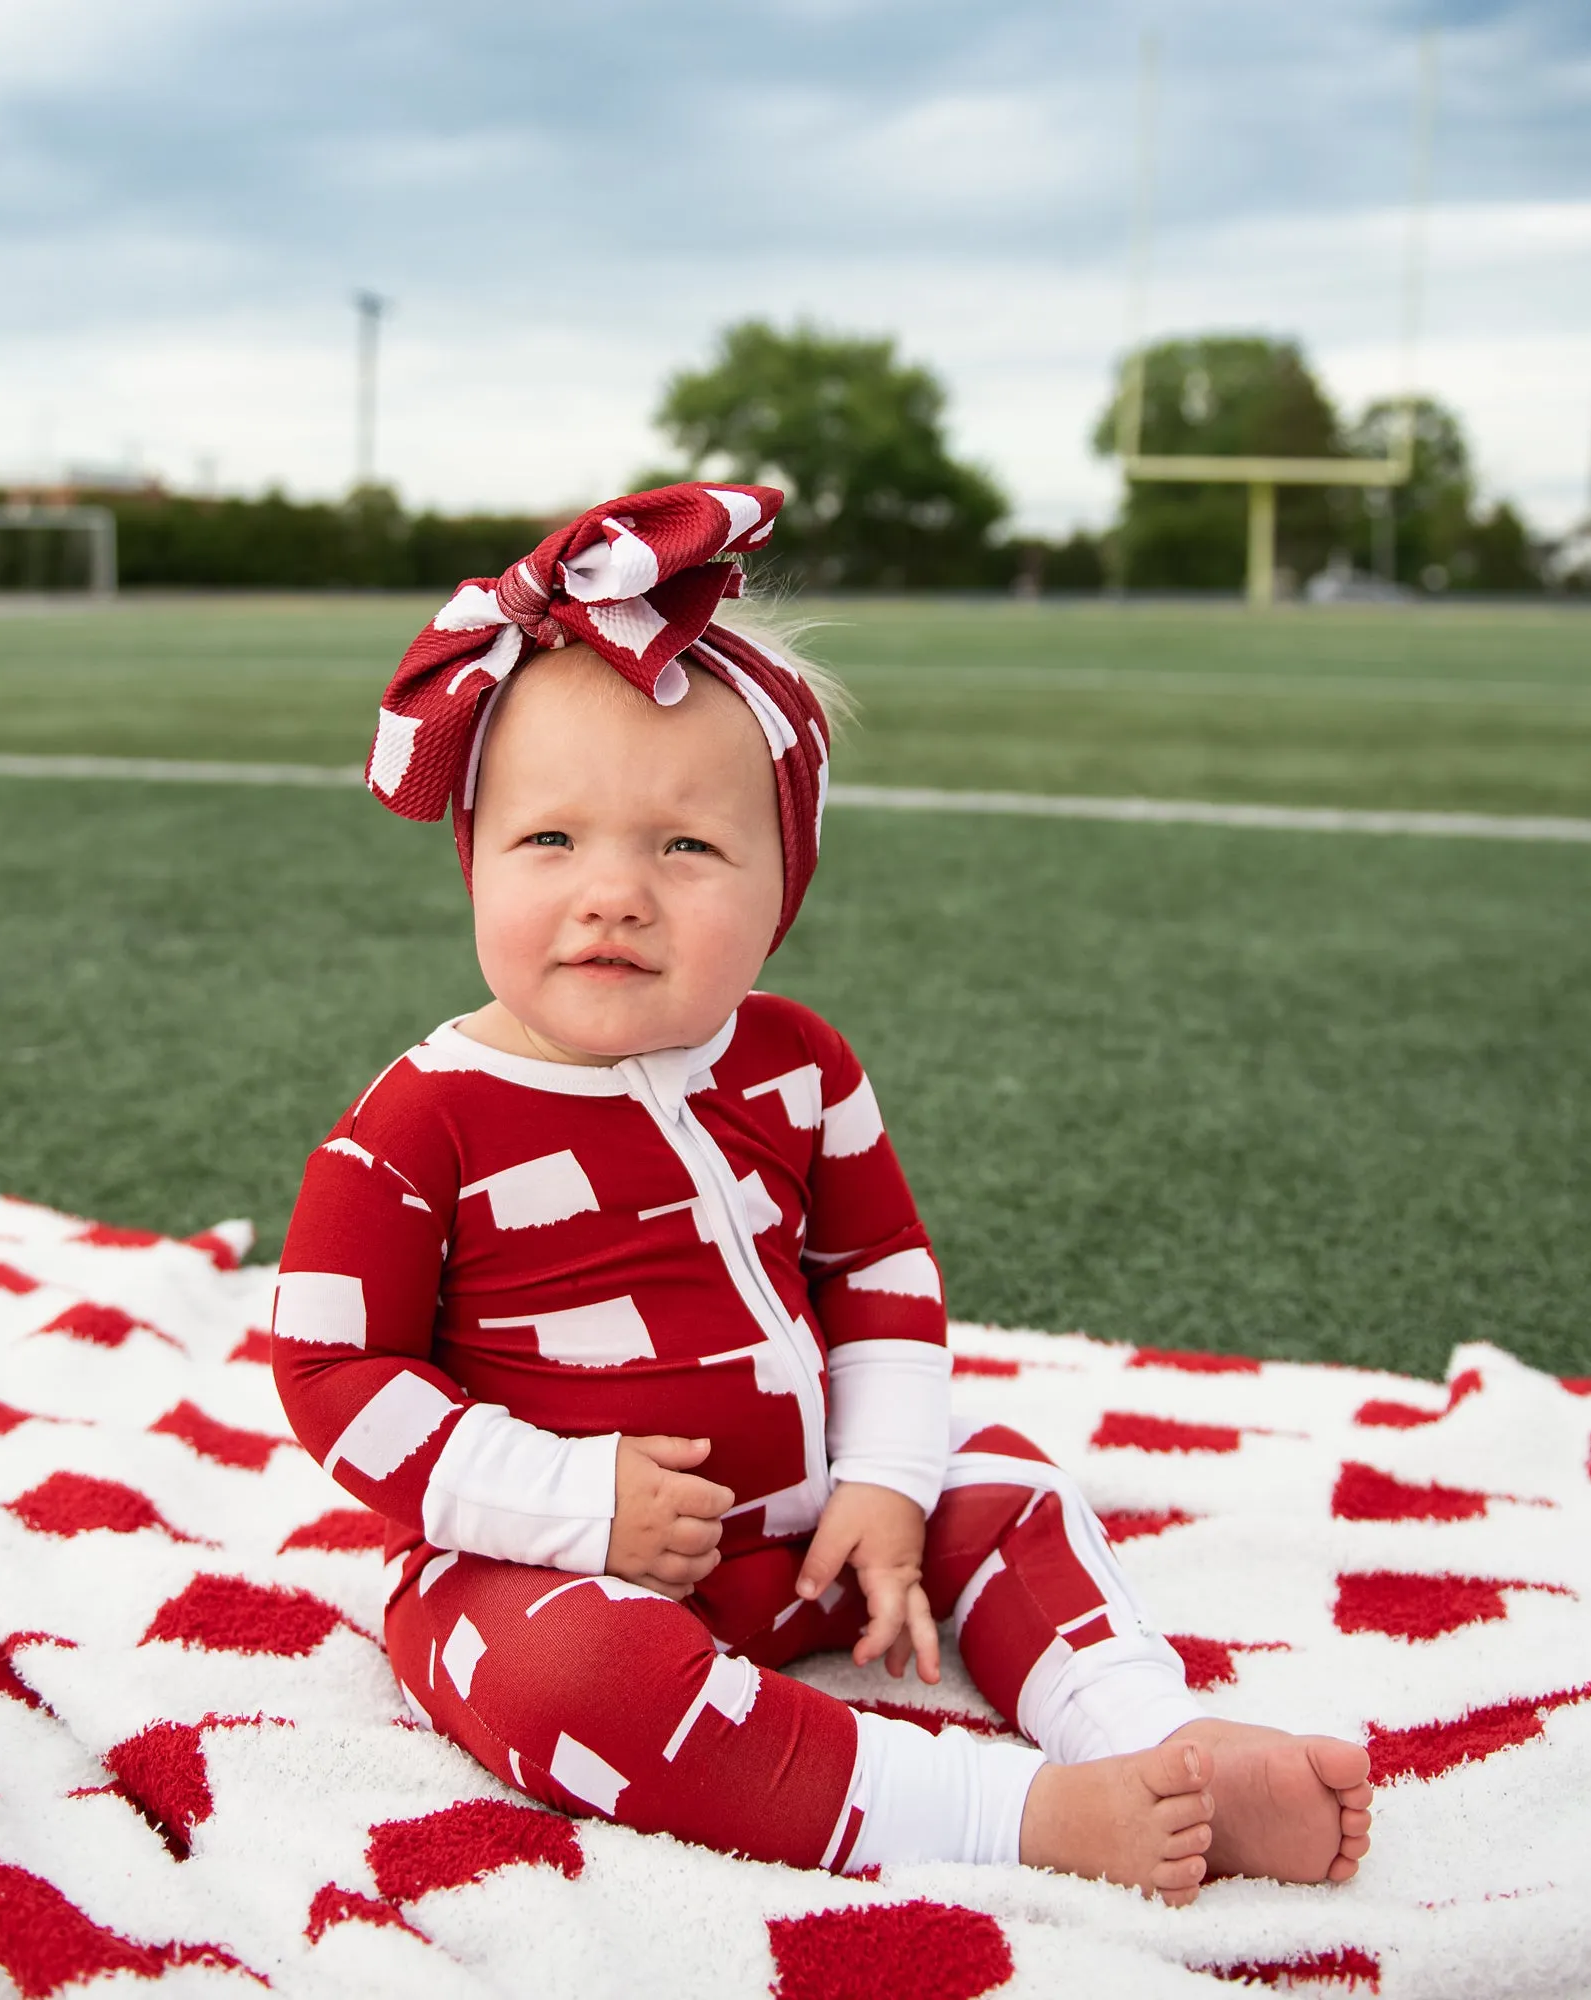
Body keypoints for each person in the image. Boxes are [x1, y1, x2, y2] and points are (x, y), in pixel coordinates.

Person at [271, 484, 1371, 1894]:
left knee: (1009, 1485)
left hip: (818, 1541)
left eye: (685, 846)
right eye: (548, 841)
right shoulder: (418, 1124)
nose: (612, 893)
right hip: (558, 1562)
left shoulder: (798, 1063)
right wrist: (567, 1499)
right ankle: (1014, 1813)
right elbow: (332, 1371)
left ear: (786, 879)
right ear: (473, 859)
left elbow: (882, 1281)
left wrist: (890, 1484)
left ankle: (1162, 1740)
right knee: (572, 1679)